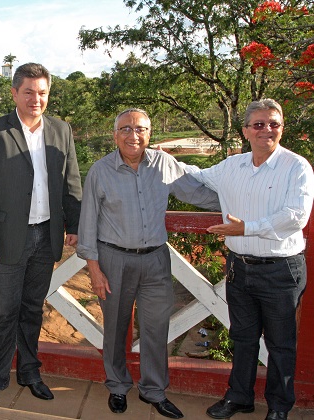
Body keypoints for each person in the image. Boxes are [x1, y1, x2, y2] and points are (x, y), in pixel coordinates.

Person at [76, 108, 221, 419]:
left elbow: (199, 195)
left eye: (140, 129)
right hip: (113, 259)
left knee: (157, 327)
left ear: (149, 133)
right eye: (126, 129)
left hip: (155, 260)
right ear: (115, 135)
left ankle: (153, 390)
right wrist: (95, 270)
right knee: (115, 327)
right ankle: (117, 385)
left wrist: (245, 201)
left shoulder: (164, 164)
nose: (134, 135)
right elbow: (87, 224)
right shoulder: (100, 172)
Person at [185, 99, 313, 420]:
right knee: (242, 337)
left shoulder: (297, 167)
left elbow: (295, 217)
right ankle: (239, 397)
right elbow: (196, 176)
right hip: (239, 268)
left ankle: (279, 408)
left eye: (273, 123)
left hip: (281, 270)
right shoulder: (232, 166)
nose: (266, 130)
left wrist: (248, 228)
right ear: (245, 131)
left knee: (281, 344)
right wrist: (155, 159)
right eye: (258, 124)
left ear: (281, 128)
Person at [0, 62, 82, 405]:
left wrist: (74, 226)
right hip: (5, 239)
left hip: (46, 237)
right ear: (14, 93)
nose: (36, 99)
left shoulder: (61, 130)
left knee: (33, 308)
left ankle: (30, 371)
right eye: (29, 91)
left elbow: (71, 181)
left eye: (42, 92)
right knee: (4, 311)